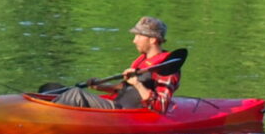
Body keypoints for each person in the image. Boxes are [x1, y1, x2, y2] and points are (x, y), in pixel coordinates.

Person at [45, 16, 182, 111]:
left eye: (139, 36)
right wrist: (101, 86)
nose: (134, 40)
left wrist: (138, 84)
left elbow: (161, 105)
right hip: (115, 104)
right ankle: (41, 107)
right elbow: (125, 89)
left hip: (124, 111)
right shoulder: (142, 60)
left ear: (153, 40)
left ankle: (43, 114)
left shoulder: (167, 67)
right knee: (50, 89)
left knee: (76, 94)